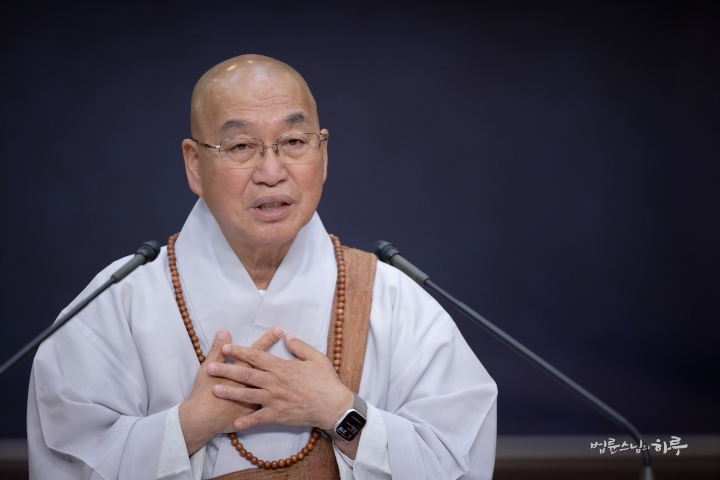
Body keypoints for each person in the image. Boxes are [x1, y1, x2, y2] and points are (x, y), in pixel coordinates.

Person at [27, 54, 498, 480]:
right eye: (240, 147)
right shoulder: (119, 301)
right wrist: (189, 425)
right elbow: (67, 459)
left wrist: (339, 412)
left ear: (323, 154)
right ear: (194, 164)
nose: (272, 172)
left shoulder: (393, 301)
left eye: (293, 141)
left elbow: (458, 460)